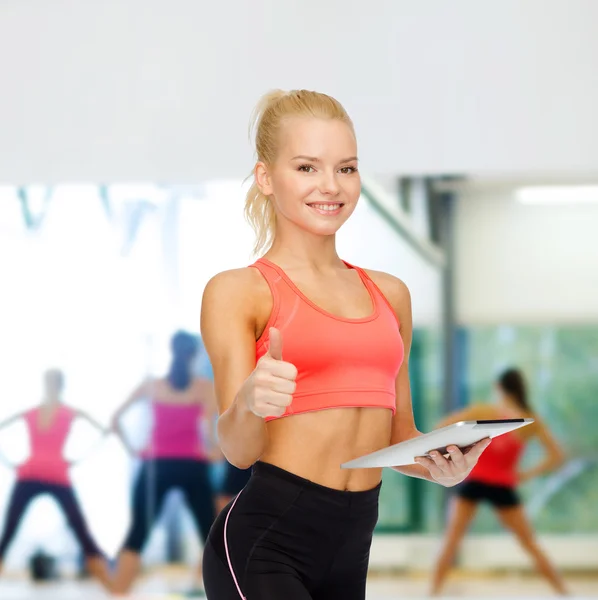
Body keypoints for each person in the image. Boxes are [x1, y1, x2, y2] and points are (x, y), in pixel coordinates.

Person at [199, 89, 491, 600]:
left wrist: (439, 466)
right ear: (266, 178)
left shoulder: (389, 294)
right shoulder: (238, 290)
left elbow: (398, 437)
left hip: (352, 546)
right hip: (265, 543)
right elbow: (238, 451)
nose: (330, 187)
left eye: (347, 168)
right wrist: (249, 401)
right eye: (307, 168)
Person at [429, 367, 569, 596]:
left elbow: (440, 428)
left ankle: (431, 594)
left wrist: (461, 453)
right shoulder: (531, 421)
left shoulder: (484, 410)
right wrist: (525, 475)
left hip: (475, 481)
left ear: (499, 388)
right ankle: (564, 593)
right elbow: (557, 456)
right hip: (502, 484)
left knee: (451, 541)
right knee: (529, 544)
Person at [110, 330, 219, 596]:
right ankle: (217, 590)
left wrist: (134, 450)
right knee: (212, 533)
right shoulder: (204, 387)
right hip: (192, 466)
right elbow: (209, 432)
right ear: (194, 355)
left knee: (137, 533)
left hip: (156, 465)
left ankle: (118, 591)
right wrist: (216, 453)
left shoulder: (153, 385)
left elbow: (115, 419)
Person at [0, 369, 111, 590]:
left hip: (57, 476)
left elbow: (104, 430)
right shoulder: (31, 411)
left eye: (54, 382)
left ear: (60, 385)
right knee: (9, 530)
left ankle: (111, 585)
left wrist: (78, 458)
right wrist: (9, 462)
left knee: (81, 530)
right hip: (29, 474)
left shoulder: (69, 412)